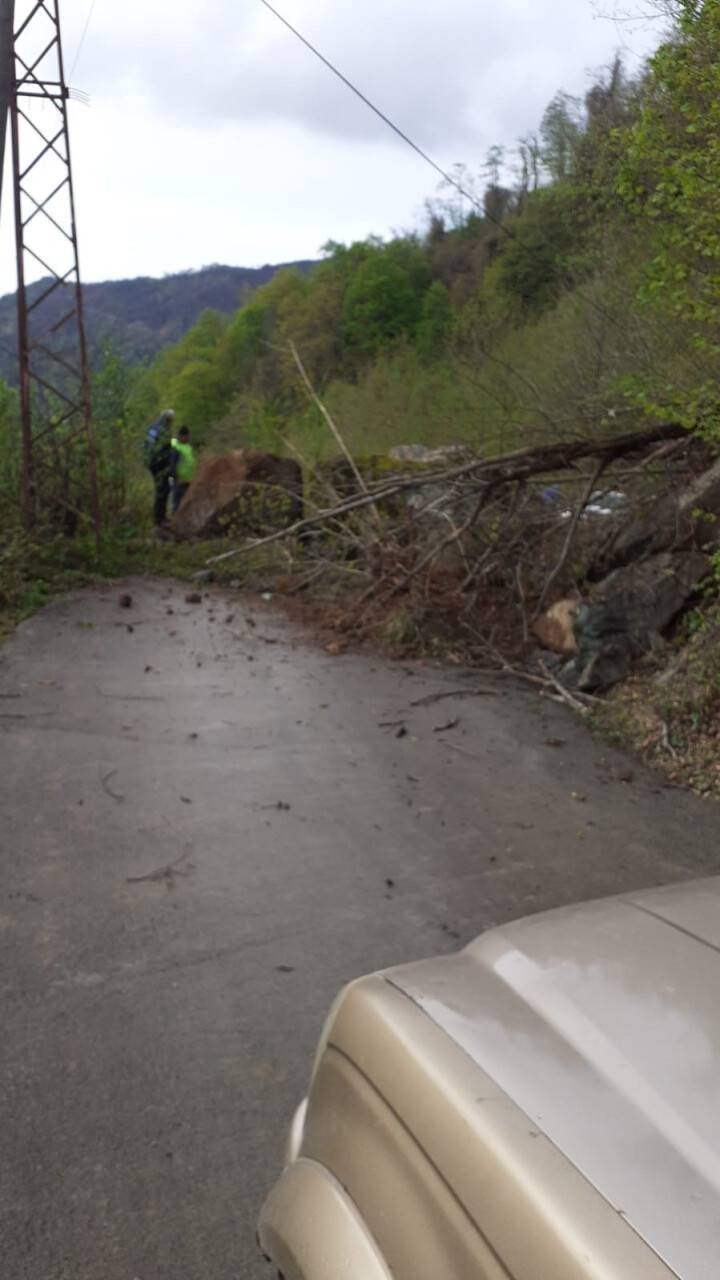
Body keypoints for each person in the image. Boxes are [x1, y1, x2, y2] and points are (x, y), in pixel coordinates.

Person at [143, 409, 175, 527]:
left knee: (163, 489)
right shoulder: (160, 429)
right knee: (162, 489)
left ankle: (161, 517)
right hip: (158, 463)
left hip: (157, 463)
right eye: (170, 420)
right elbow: (157, 447)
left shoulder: (155, 428)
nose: (171, 422)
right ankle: (159, 519)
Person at [169, 426, 197, 512]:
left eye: (188, 436)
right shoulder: (176, 448)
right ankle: (175, 520)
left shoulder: (188, 446)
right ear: (181, 436)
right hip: (179, 481)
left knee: (187, 502)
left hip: (187, 480)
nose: (188, 438)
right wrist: (176, 478)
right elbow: (172, 465)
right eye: (186, 436)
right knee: (177, 503)